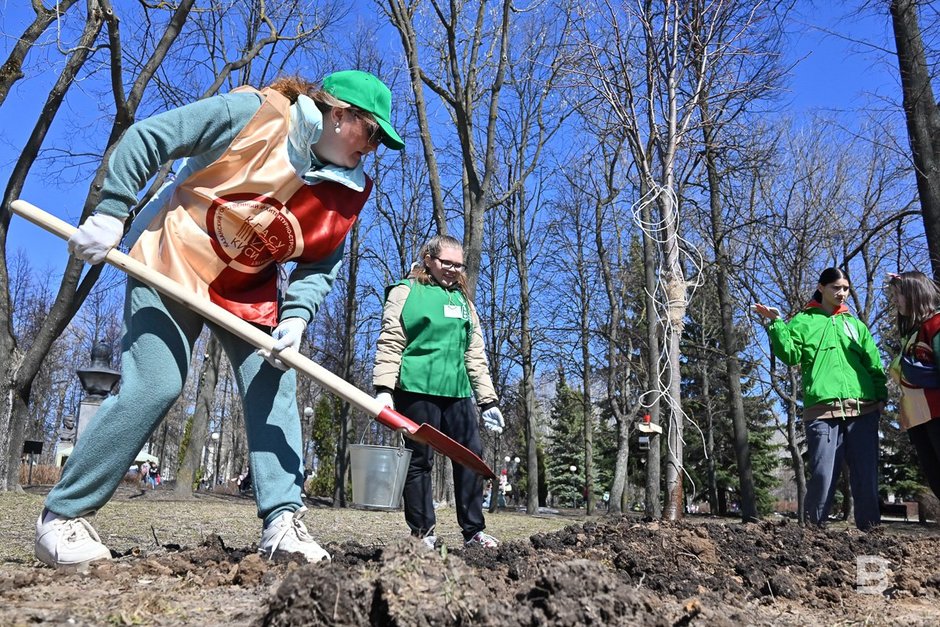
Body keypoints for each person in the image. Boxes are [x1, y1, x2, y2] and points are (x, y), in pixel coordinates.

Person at [34, 70, 404, 569]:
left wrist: (296, 317)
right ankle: (62, 517)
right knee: (157, 384)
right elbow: (150, 137)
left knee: (274, 379)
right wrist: (111, 211)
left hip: (245, 291)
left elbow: (320, 263)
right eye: (373, 132)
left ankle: (283, 524)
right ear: (339, 115)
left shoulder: (346, 191)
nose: (374, 147)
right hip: (170, 258)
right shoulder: (253, 115)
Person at [372, 234, 505, 549]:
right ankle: (423, 534)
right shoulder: (406, 292)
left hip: (457, 393)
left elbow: (475, 355)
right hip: (416, 389)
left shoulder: (463, 302)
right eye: (447, 263)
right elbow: (391, 341)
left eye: (459, 265)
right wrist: (384, 388)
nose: (453, 269)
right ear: (429, 259)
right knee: (419, 461)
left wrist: (487, 400)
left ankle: (473, 532)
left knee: (471, 458)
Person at [753, 267, 886, 530]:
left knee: (866, 475)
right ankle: (813, 532)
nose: (842, 293)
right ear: (821, 288)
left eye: (845, 288)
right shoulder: (803, 321)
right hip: (822, 412)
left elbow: (873, 363)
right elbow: (790, 355)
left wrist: (881, 397)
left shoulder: (855, 325)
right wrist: (776, 324)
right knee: (823, 473)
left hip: (863, 410)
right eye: (836, 287)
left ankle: (872, 532)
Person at [888, 271, 940, 500]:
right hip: (918, 419)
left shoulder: (936, 324)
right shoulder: (912, 333)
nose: (895, 301)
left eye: (897, 295)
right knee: (935, 476)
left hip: (937, 414)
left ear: (914, 293)